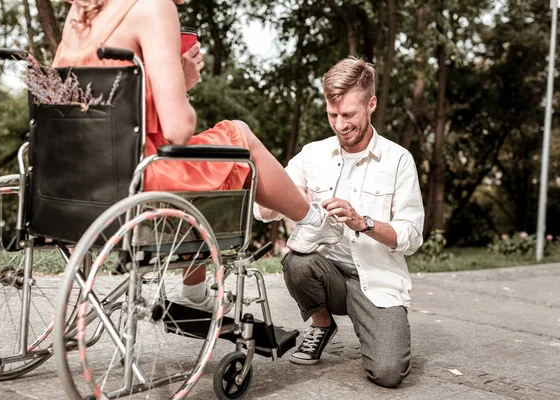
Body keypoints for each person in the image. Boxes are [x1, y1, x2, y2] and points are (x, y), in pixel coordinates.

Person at [53, 0, 342, 310]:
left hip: (77, 182)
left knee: (201, 155)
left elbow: (115, 116)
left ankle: (195, 291)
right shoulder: (154, 8)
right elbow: (177, 130)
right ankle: (312, 219)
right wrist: (183, 83)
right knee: (237, 136)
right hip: (136, 182)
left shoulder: (83, 10)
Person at [255, 57, 424, 388]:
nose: (340, 124)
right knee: (296, 260)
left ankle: (374, 326)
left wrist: (363, 222)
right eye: (333, 114)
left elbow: (413, 236)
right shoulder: (312, 154)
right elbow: (263, 212)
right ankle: (321, 323)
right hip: (326, 274)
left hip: (377, 282)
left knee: (388, 373)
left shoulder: (398, 159)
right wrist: (289, 198)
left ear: (371, 104)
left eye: (349, 114)